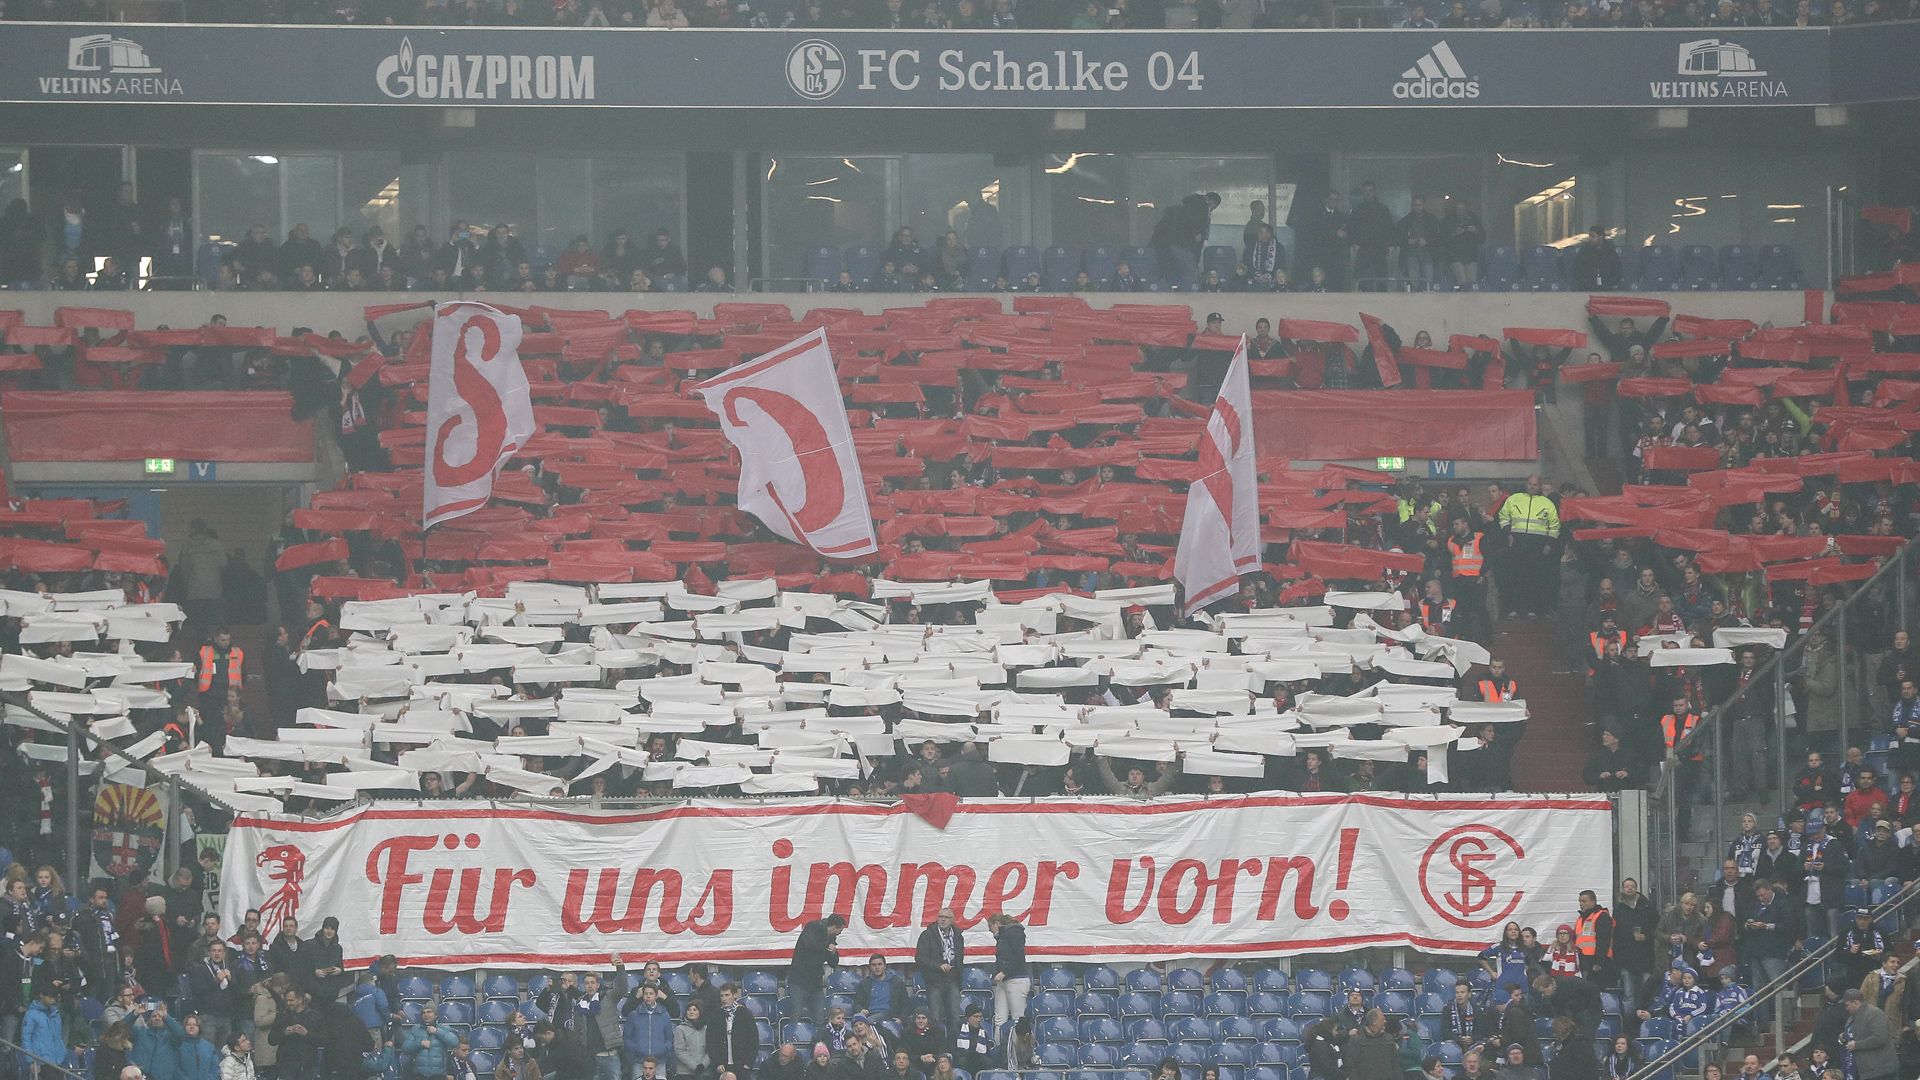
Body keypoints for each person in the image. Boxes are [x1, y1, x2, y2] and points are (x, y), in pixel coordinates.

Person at [914, 909, 964, 1040]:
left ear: (952, 920)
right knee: (934, 1018)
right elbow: (920, 958)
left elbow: (960, 958)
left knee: (955, 1018)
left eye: (946, 917)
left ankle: (954, 1049)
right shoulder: (927, 935)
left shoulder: (958, 936)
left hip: (952, 980)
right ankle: (936, 1048)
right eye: (940, 916)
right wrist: (938, 965)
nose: (942, 919)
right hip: (935, 981)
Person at [787, 914, 844, 1025]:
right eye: (839, 931)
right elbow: (809, 945)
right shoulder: (812, 927)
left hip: (816, 983)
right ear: (834, 928)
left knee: (819, 1018)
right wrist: (826, 947)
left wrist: (833, 953)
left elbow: (833, 964)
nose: (839, 934)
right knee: (796, 1015)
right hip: (799, 980)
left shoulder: (831, 939)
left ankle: (819, 1041)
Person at [1843, 988, 1900, 1080]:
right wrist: (1844, 1037)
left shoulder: (1874, 1014)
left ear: (1856, 1002)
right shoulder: (1851, 1018)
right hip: (1864, 1070)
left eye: (1847, 1005)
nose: (1846, 1008)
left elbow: (1880, 1038)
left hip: (1881, 1070)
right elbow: (1856, 1034)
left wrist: (1857, 1045)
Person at [706, 985, 758, 1080]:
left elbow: (753, 1040)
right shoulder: (715, 1016)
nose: (724, 999)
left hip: (742, 1065)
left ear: (735, 995)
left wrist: (748, 1064)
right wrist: (717, 1062)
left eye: (727, 995)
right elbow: (710, 1041)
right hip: (722, 1066)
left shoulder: (745, 1014)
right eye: (722, 996)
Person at [987, 914, 1028, 1031]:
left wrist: (1004, 972)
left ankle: (1016, 1047)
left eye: (991, 927)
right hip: (1005, 979)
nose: (990, 930)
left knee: (1017, 1018)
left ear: (996, 924)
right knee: (999, 1019)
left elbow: (1018, 956)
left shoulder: (1014, 932)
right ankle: (999, 1045)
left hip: (1016, 979)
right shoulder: (1003, 936)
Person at [853, 956, 908, 1025]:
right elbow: (857, 1003)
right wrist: (861, 1010)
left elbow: (906, 1005)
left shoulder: (897, 983)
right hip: (870, 1015)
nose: (877, 967)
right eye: (874, 965)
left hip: (890, 1017)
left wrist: (901, 1019)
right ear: (870, 967)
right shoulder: (864, 984)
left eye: (879, 964)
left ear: (885, 966)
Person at [673, 1001, 710, 1078]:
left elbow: (710, 1050)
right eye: (689, 1010)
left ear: (700, 1012)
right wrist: (695, 1066)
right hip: (685, 1073)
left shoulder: (706, 1029)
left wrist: (703, 1065)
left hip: (704, 1072)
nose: (691, 1012)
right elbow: (679, 1051)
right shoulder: (680, 1029)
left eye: (694, 1009)